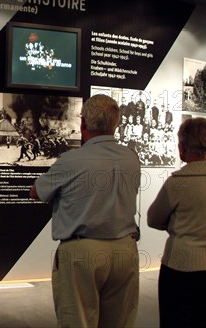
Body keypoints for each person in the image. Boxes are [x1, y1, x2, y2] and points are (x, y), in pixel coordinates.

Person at [30, 94, 140, 328]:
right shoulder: (132, 158)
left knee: (77, 321)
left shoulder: (71, 160)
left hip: (82, 252)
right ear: (115, 124)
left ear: (83, 124)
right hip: (125, 248)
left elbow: (37, 192)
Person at [147, 117, 206, 328]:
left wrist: (176, 225)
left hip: (182, 267)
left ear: (182, 145)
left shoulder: (179, 182)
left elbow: (153, 219)